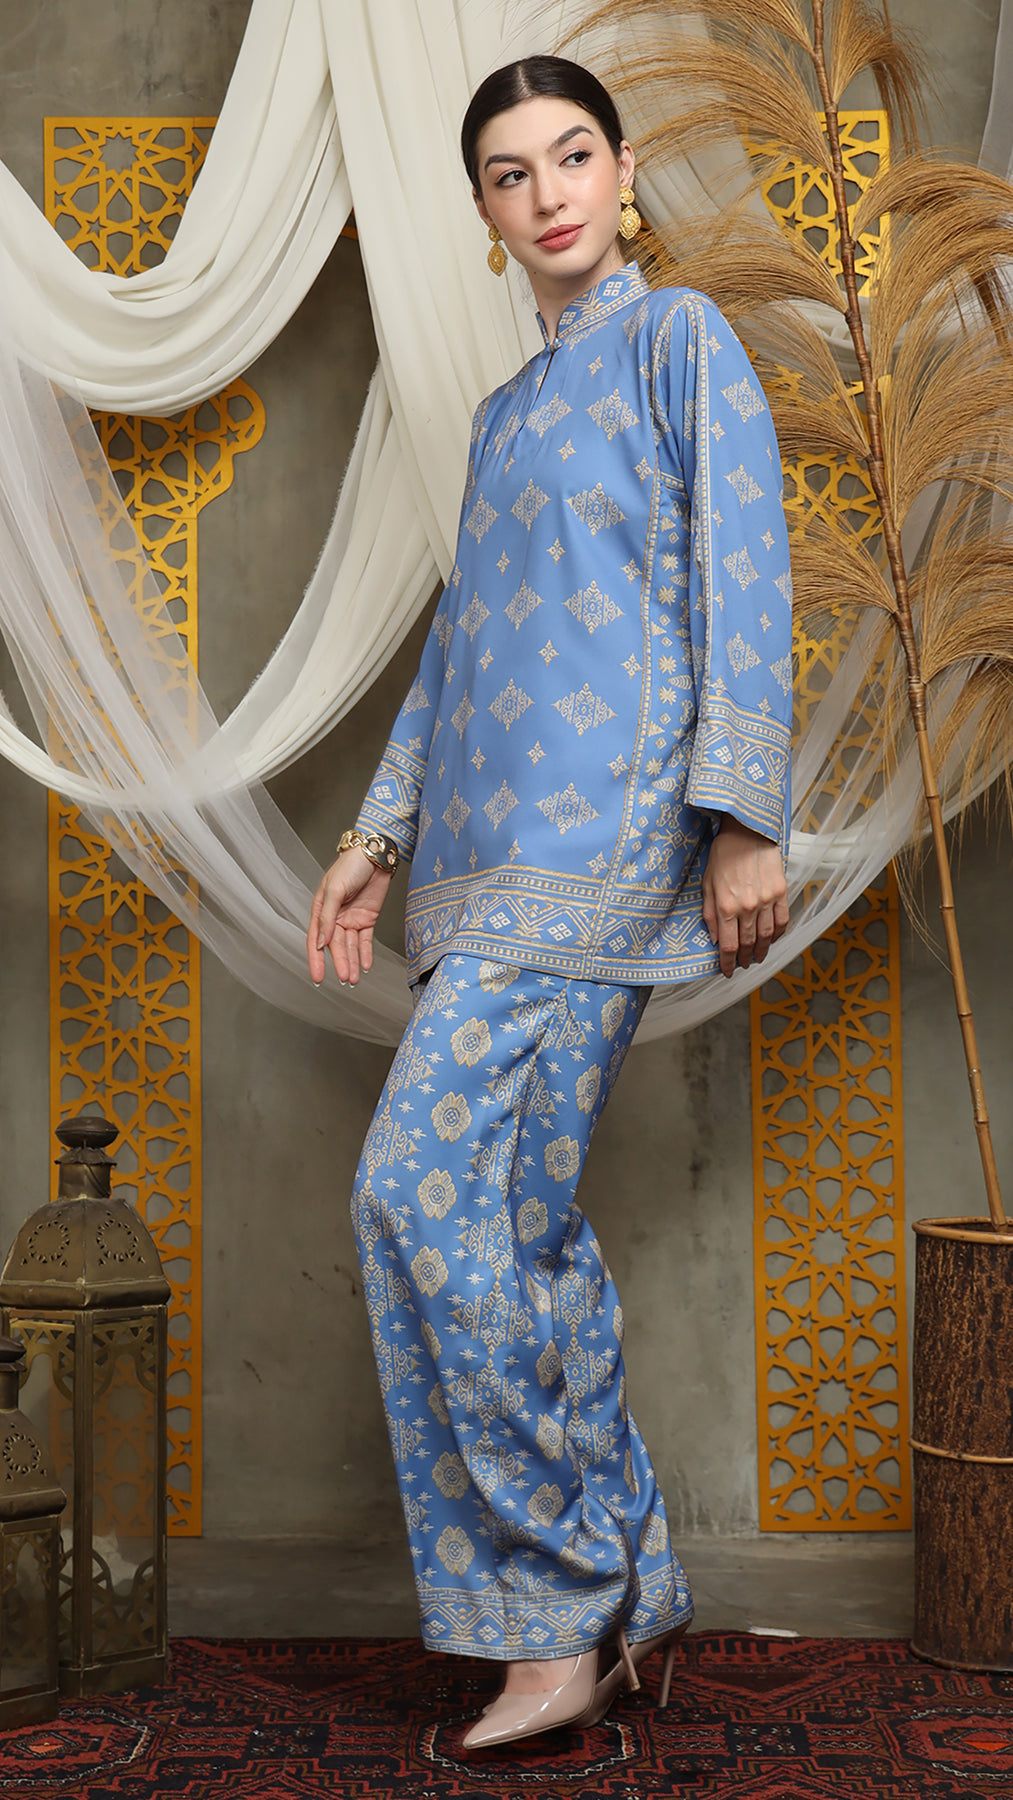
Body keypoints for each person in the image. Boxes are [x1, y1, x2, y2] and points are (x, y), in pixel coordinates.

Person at [307, 54, 792, 1750]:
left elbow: (744, 565)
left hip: (602, 852)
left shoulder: (680, 343)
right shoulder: (508, 415)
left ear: (622, 168)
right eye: (511, 174)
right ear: (484, 211)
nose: (548, 193)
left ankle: (552, 1607)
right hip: (479, 867)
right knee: (504, 1233)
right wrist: (375, 836)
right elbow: (463, 648)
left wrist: (741, 818)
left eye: (571, 155)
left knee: (412, 1195)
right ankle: (626, 1590)